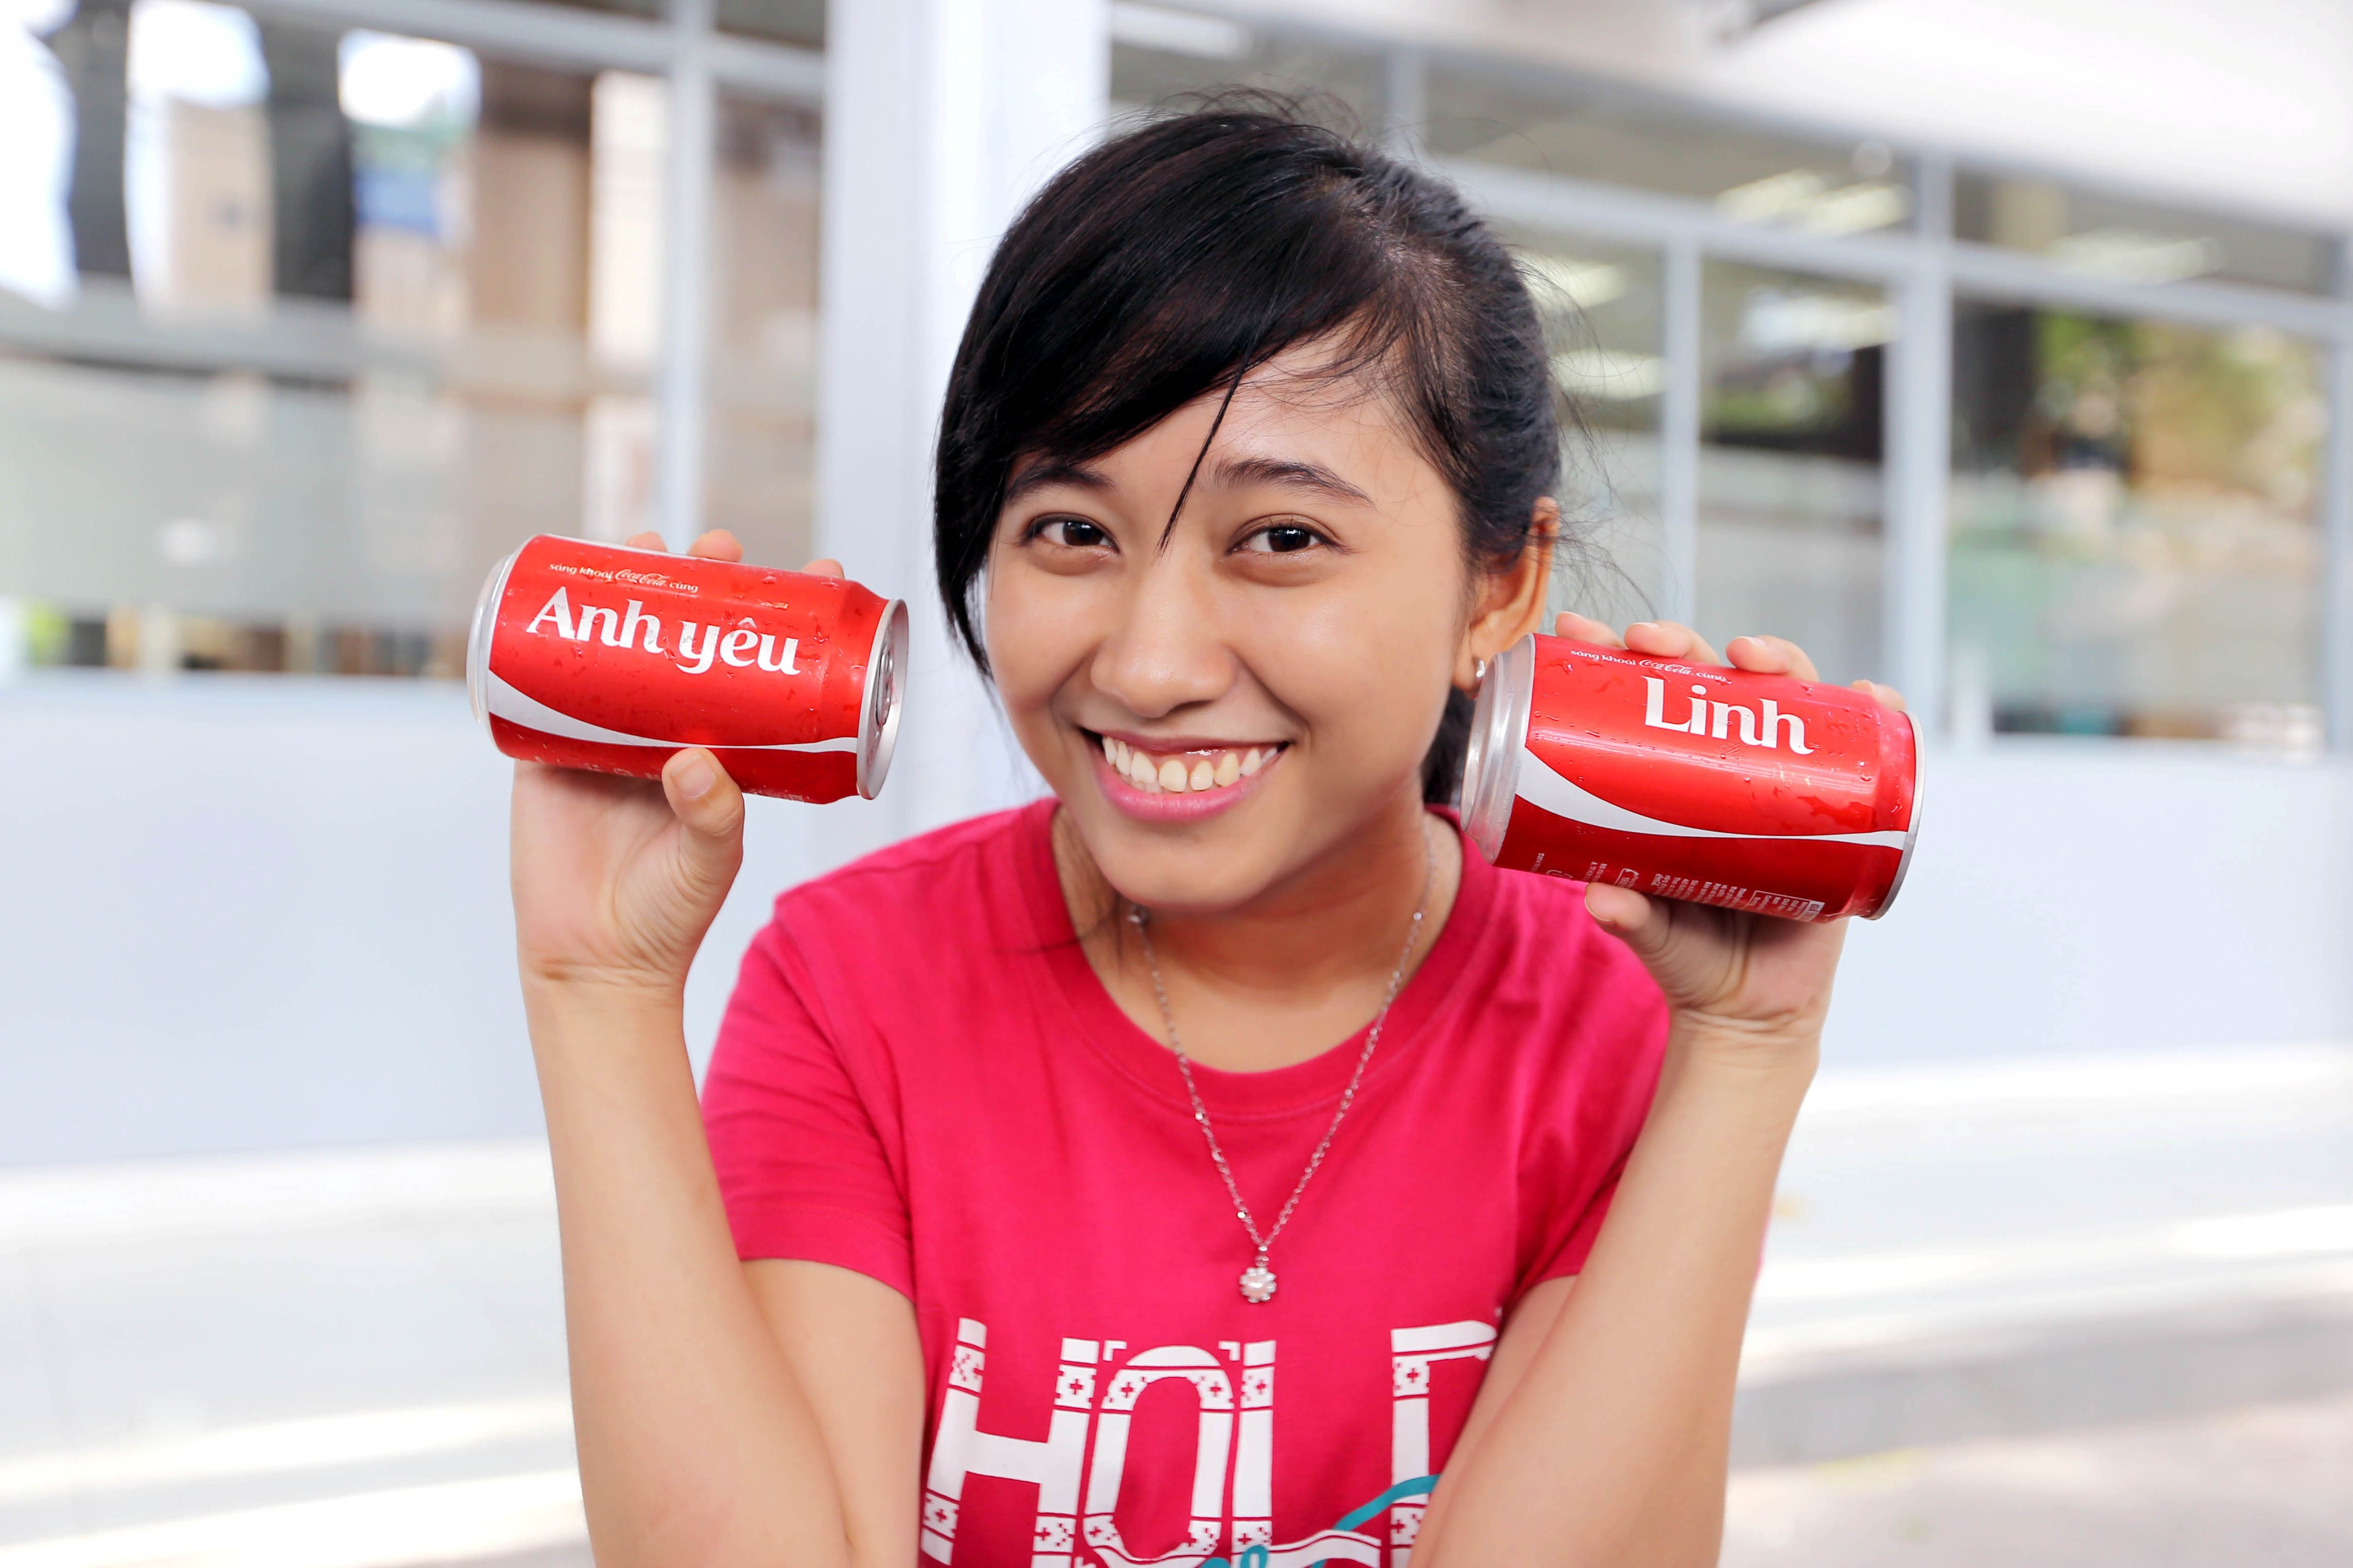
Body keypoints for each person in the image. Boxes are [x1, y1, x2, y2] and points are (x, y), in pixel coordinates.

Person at [509, 103, 1904, 1568]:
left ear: (1497, 586)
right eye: (1069, 531)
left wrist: (1744, 1056)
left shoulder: (1601, 1014)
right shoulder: (855, 984)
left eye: (1280, 538)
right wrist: (594, 991)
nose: (1151, 663)